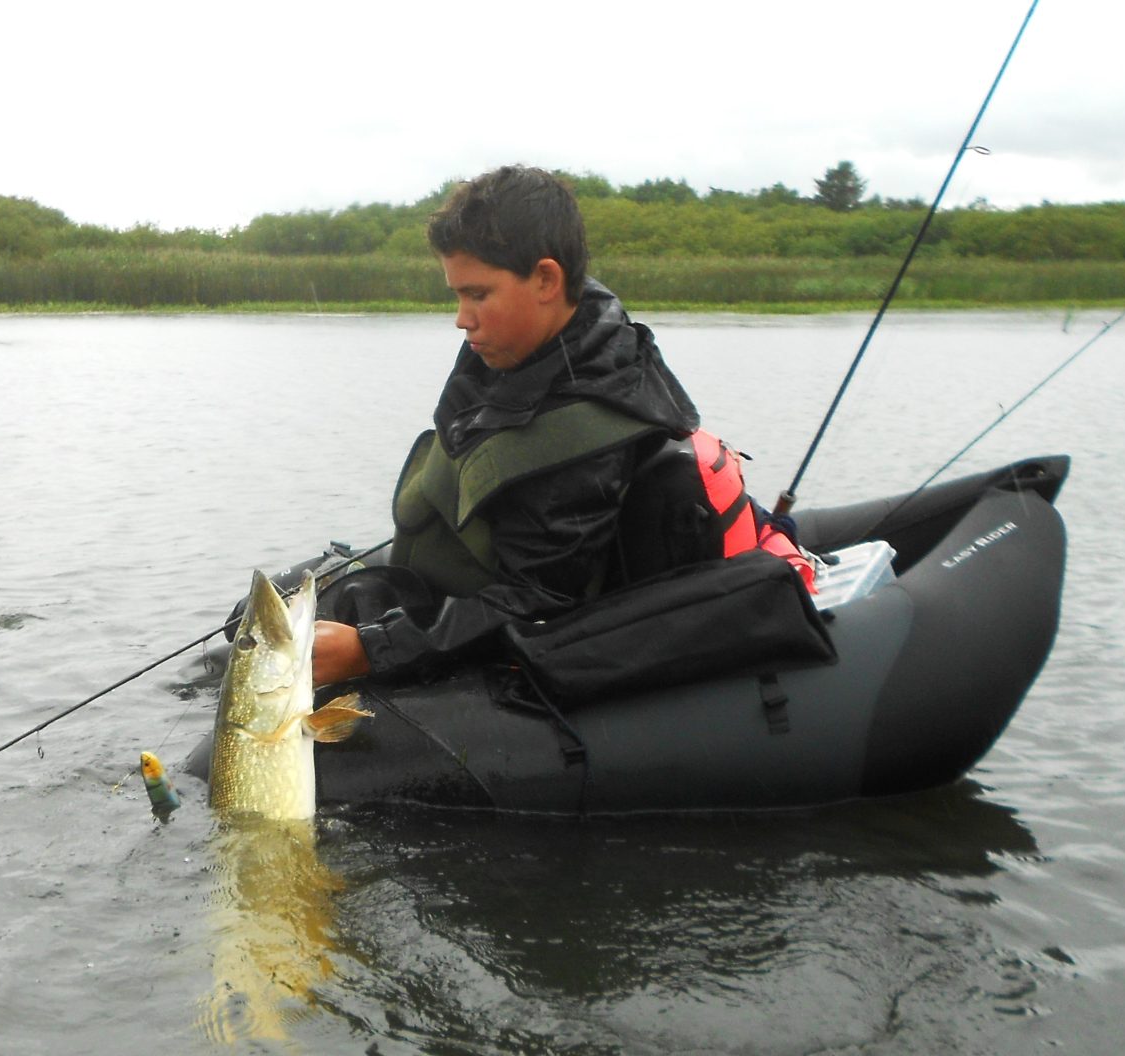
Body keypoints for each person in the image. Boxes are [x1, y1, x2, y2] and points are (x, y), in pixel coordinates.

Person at [311, 165, 808, 688]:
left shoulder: (586, 435)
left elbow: (536, 602)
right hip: (454, 575)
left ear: (547, 279)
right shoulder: (525, 338)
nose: (461, 317)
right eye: (456, 295)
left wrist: (374, 651)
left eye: (478, 295)